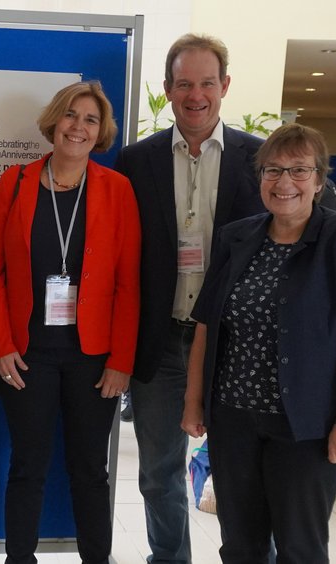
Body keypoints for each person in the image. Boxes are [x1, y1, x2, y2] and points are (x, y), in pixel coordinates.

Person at [181, 123, 336, 562]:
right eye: (273, 170)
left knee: (300, 546)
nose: (284, 183)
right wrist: (193, 401)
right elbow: (207, 322)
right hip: (234, 420)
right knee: (240, 544)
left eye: (299, 170)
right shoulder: (237, 237)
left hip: (309, 426)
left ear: (319, 180)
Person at [112, 33, 265, 563]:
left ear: (224, 86)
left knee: (243, 474)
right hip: (159, 342)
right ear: (167, 89)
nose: (195, 94)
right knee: (158, 474)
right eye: (183, 84)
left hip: (233, 346)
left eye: (206, 83)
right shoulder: (135, 162)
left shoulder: (260, 160)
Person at [0, 81, 140, 564]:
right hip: (27, 356)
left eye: (91, 119)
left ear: (101, 131)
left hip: (95, 358)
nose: (79, 127)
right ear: (55, 121)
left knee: (91, 470)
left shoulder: (117, 190)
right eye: (72, 115)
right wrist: (2, 344)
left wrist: (122, 361)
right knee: (27, 467)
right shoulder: (16, 183)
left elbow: (129, 284)